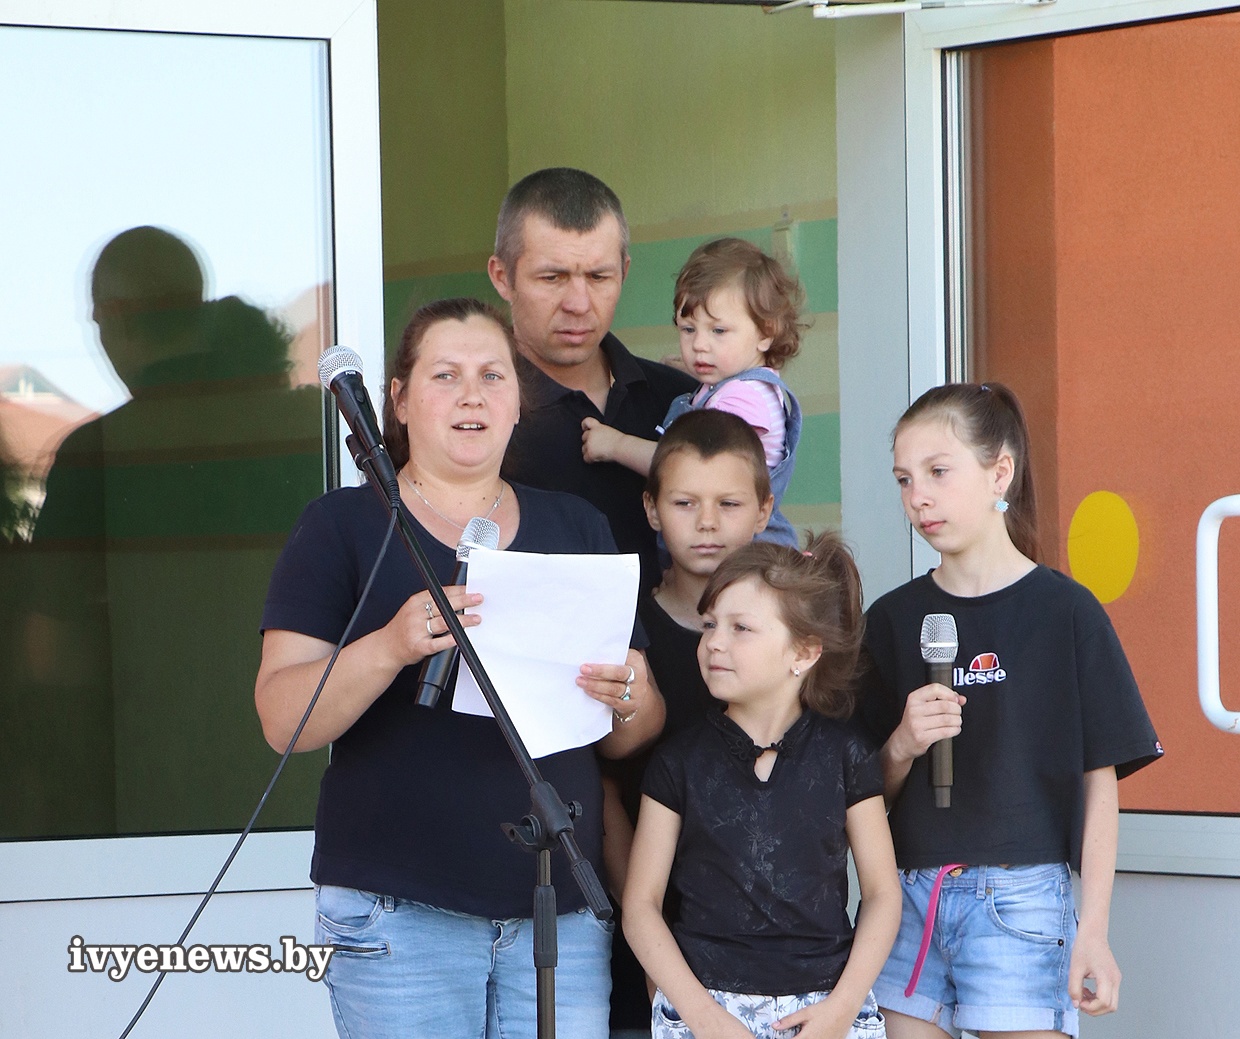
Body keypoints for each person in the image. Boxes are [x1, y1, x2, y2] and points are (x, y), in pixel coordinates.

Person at [255, 297, 666, 1039]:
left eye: (492, 375)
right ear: (400, 400)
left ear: (518, 402)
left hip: (557, 915)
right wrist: (389, 645)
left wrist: (629, 695)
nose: (471, 394)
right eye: (445, 375)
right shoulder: (341, 526)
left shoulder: (576, 526)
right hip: (398, 914)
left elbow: (629, 735)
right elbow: (284, 720)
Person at [856, 382, 1164, 1039]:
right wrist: (903, 744)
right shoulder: (890, 620)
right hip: (906, 901)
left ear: (1000, 473)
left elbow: (1099, 783)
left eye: (938, 472)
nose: (918, 497)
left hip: (1021, 898)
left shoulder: (1066, 612)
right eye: (904, 479)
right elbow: (859, 791)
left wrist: (1094, 928)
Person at [624, 534, 902, 1039]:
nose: (715, 642)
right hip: (706, 1006)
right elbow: (641, 905)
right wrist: (702, 1016)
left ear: (804, 651)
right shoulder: (678, 761)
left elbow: (883, 894)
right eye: (710, 624)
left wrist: (843, 1007)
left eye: (741, 628)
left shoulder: (846, 756)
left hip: (825, 1007)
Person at [488, 167, 696, 593]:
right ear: (502, 277)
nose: (579, 304)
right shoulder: (474, 417)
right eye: (553, 277)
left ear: (624, 272)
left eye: (599, 277)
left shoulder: (680, 400)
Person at [581, 237, 805, 547]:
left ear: (766, 333)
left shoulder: (743, 399)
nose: (699, 344)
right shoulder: (737, 387)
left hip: (740, 552)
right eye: (688, 329)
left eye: (718, 331)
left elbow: (686, 467)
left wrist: (616, 445)